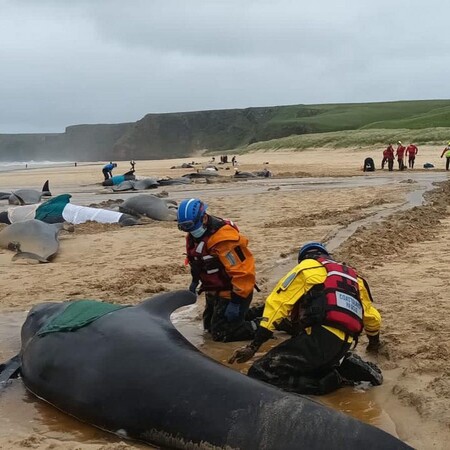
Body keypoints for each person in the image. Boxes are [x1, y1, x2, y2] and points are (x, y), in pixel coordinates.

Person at [229, 242, 383, 395]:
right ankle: (342, 364)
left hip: (319, 339)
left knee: (260, 372)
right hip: (344, 343)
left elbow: (277, 304)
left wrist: (254, 346)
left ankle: (333, 380)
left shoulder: (306, 267)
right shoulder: (354, 278)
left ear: (304, 258)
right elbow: (372, 318)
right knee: (311, 363)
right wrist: (373, 344)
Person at [177, 198, 258, 342]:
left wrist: (236, 301)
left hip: (234, 291)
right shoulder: (194, 236)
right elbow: (196, 261)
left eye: (190, 226)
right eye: (183, 227)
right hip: (214, 290)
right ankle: (249, 315)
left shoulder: (224, 240)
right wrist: (195, 282)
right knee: (208, 328)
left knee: (222, 334)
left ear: (205, 218)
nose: (189, 231)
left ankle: (265, 325)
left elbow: (243, 272)